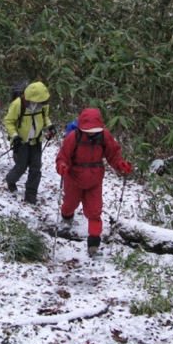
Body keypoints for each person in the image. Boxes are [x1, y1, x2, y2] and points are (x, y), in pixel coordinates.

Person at [55, 108, 133, 256]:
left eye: (94, 130)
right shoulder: (73, 137)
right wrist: (62, 166)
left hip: (95, 178)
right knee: (70, 203)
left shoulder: (104, 136)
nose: (92, 133)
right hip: (74, 177)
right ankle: (67, 216)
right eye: (88, 130)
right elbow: (63, 156)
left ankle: (94, 244)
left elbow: (113, 155)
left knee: (95, 211)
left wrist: (121, 164)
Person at [4, 82, 56, 204]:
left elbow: (45, 117)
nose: (42, 101)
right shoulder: (18, 104)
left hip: (37, 140)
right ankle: (10, 180)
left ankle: (31, 194)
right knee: (21, 165)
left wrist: (50, 126)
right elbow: (9, 122)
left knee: (36, 167)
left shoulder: (43, 105)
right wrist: (15, 137)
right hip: (21, 141)